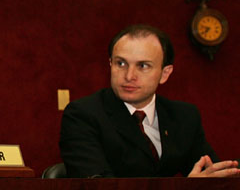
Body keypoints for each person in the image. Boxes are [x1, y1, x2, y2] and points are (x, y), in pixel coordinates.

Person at [59, 24, 238, 178]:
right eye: (121, 63)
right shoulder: (83, 115)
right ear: (110, 64)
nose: (129, 76)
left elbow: (210, 175)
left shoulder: (184, 117)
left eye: (143, 66)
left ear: (165, 73)